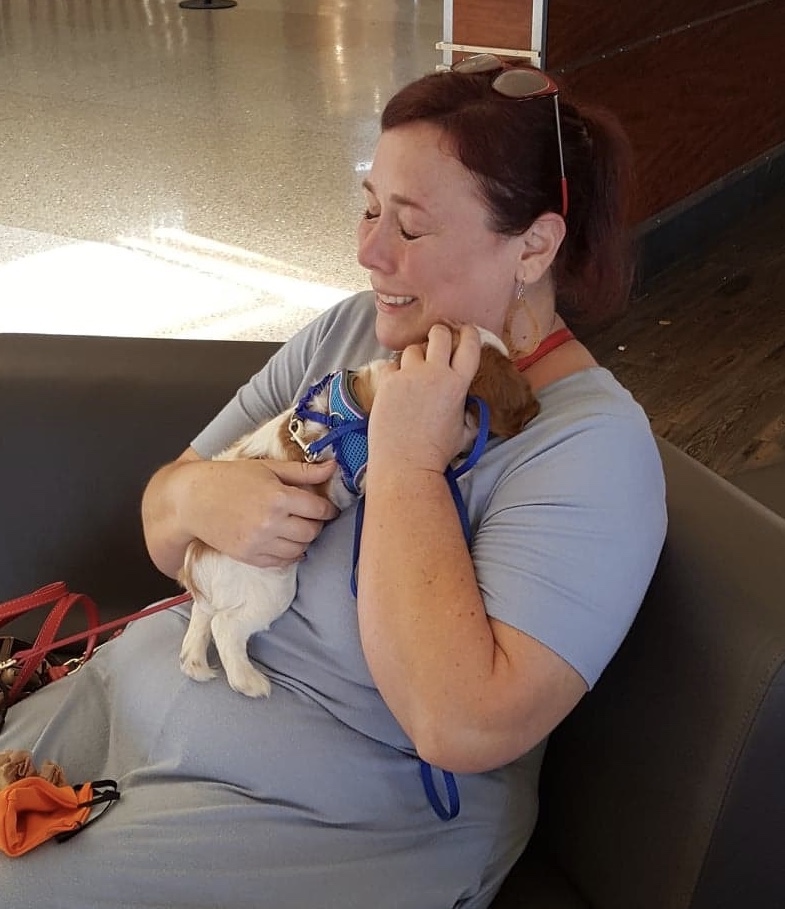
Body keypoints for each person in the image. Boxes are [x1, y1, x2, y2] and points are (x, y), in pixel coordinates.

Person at [0, 56, 666, 908]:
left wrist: (406, 461)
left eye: (410, 227)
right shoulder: (353, 332)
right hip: (141, 694)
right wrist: (200, 498)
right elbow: (165, 524)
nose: (366, 250)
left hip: (335, 810)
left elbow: (459, 723)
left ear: (534, 245)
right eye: (368, 207)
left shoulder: (590, 449)